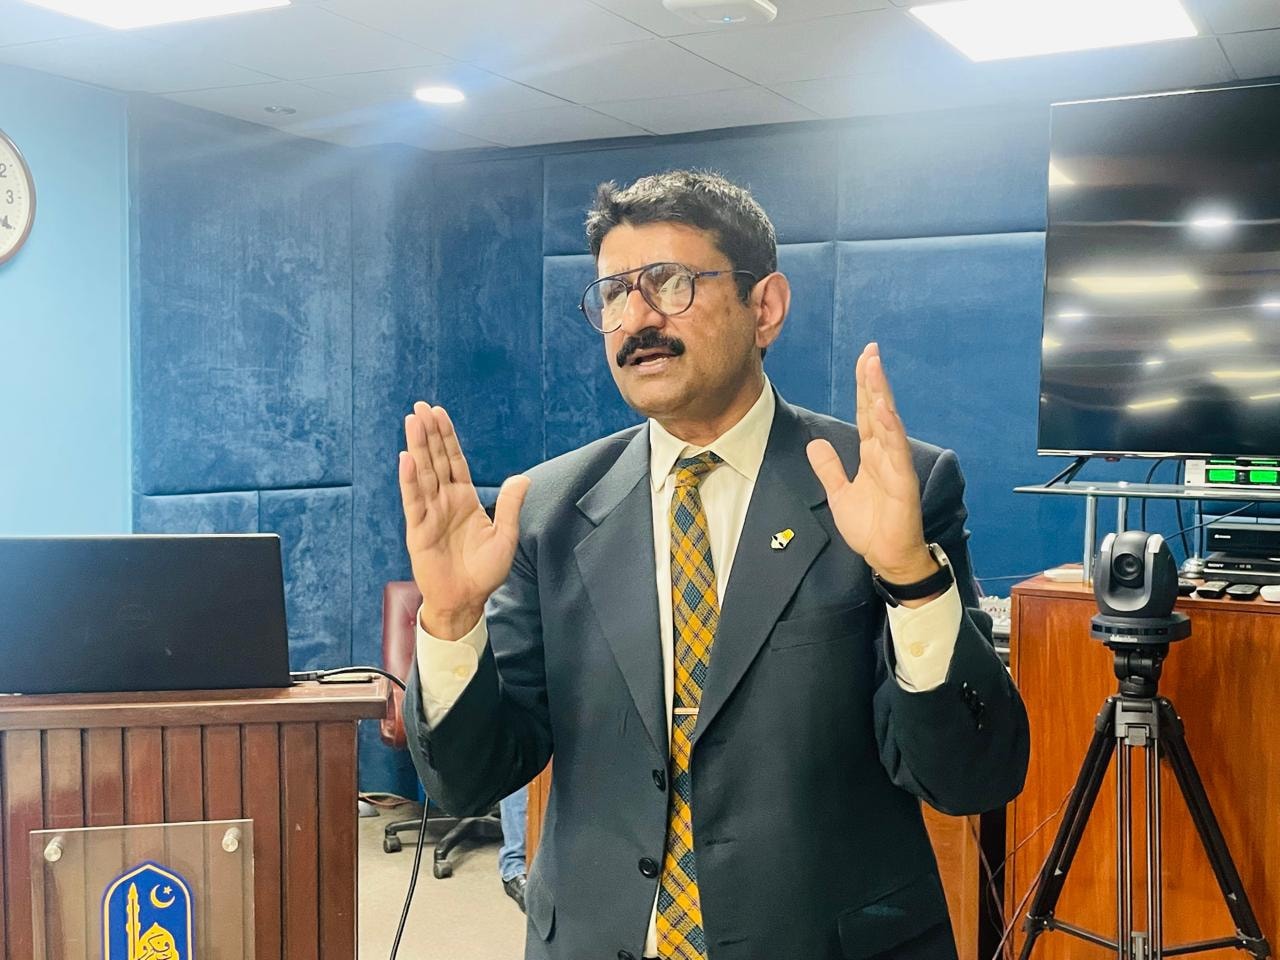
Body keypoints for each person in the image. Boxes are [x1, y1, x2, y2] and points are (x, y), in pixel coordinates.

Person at [397, 170, 1029, 960]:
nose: (637, 319)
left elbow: (970, 777)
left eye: (670, 283)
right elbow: (469, 779)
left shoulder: (883, 489)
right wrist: (452, 620)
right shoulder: (551, 511)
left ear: (764, 307)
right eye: (614, 294)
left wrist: (910, 577)